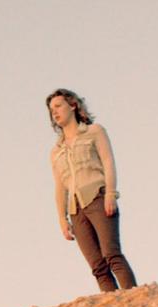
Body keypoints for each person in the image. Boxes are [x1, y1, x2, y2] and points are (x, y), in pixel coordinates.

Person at [47, 89, 137, 292]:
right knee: (97, 267)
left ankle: (134, 300)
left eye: (58, 106)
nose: (55, 112)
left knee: (112, 255)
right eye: (51, 110)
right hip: (75, 210)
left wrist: (111, 194)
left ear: (73, 105)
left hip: (98, 197)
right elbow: (60, 187)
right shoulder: (56, 151)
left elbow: (108, 162)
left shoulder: (94, 131)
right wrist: (62, 219)